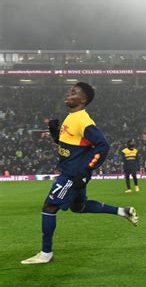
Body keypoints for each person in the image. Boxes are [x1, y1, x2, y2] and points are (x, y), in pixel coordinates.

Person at [21, 82, 139, 265]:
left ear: (83, 100)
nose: (68, 93)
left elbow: (103, 146)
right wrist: (55, 135)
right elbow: (71, 146)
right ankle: (123, 211)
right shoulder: (71, 117)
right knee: (78, 207)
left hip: (72, 174)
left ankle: (46, 254)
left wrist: (85, 170)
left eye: (74, 92)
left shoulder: (83, 120)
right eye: (69, 90)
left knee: (49, 207)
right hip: (73, 172)